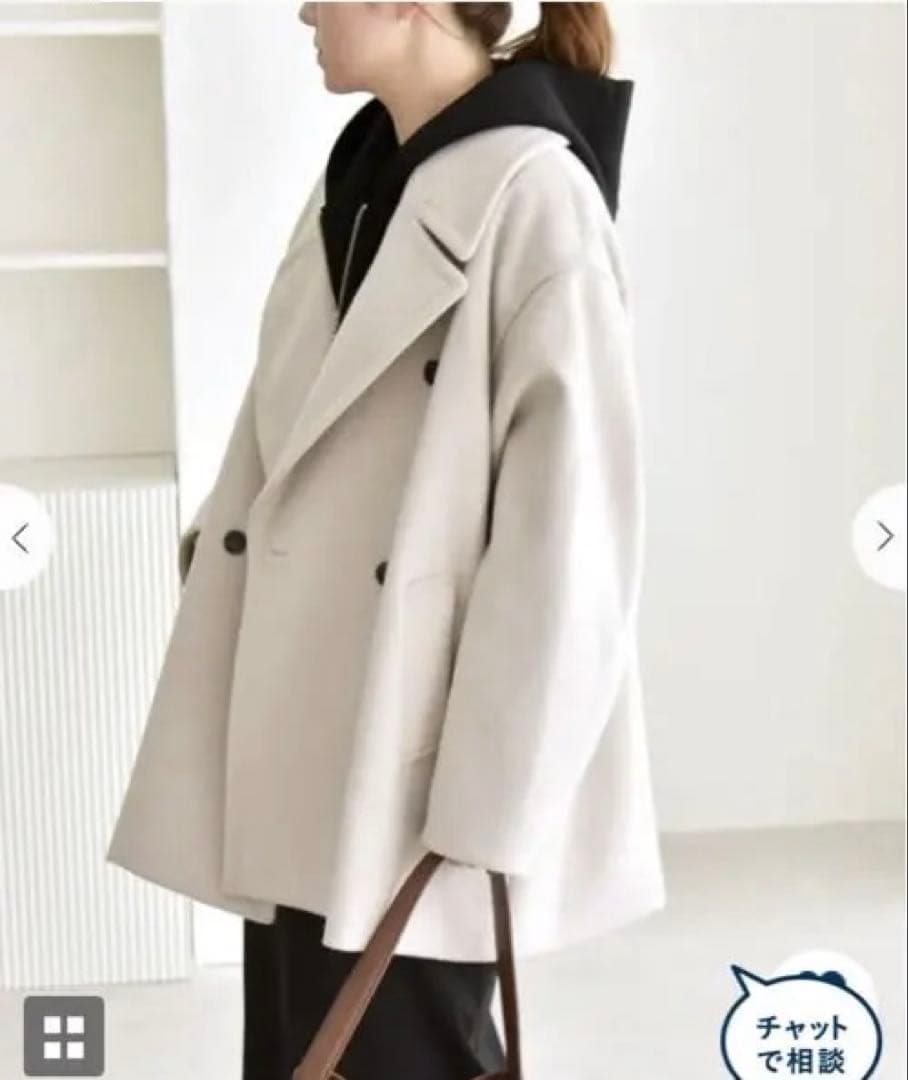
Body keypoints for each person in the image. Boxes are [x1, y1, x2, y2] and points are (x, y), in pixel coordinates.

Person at [106, 3, 666, 1077]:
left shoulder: (535, 198)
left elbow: (570, 542)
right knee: (301, 1051)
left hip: (410, 777)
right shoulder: (363, 175)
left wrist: (485, 808)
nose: (303, 9)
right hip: (300, 740)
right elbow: (291, 440)